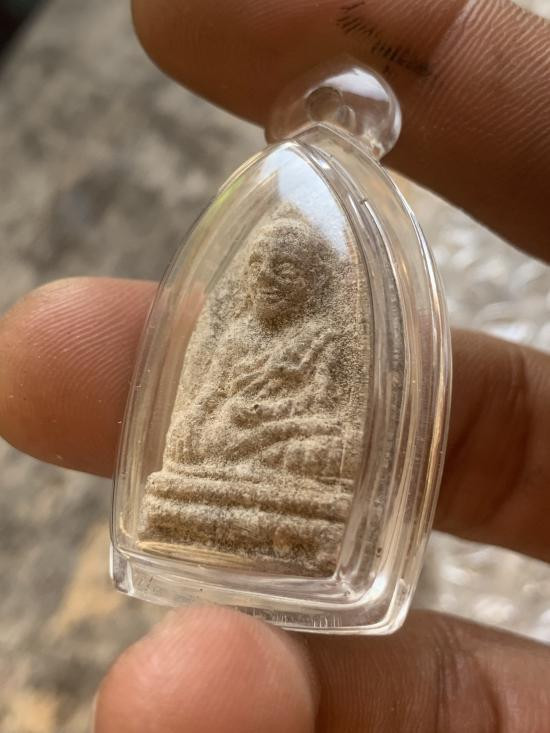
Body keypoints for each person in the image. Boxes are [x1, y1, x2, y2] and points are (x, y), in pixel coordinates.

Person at [0, 0, 549, 730]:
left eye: (285, 271)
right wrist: (225, 425)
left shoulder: (332, 334)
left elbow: (334, 427)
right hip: (217, 470)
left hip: (296, 473)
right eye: (259, 269)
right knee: (193, 436)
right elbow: (198, 416)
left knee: (316, 452)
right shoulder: (231, 332)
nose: (266, 282)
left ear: (313, 280)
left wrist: (274, 427)